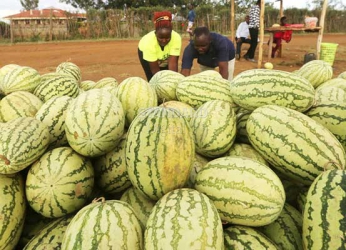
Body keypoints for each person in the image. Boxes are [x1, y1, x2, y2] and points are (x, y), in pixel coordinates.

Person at [138, 11, 182, 81]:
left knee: (169, 76)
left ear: (171, 32)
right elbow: (155, 71)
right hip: (144, 52)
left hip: (164, 56)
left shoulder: (176, 38)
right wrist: (162, 84)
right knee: (153, 80)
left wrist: (173, 81)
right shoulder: (149, 42)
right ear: (155, 33)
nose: (164, 41)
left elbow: (173, 66)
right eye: (160, 38)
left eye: (167, 37)